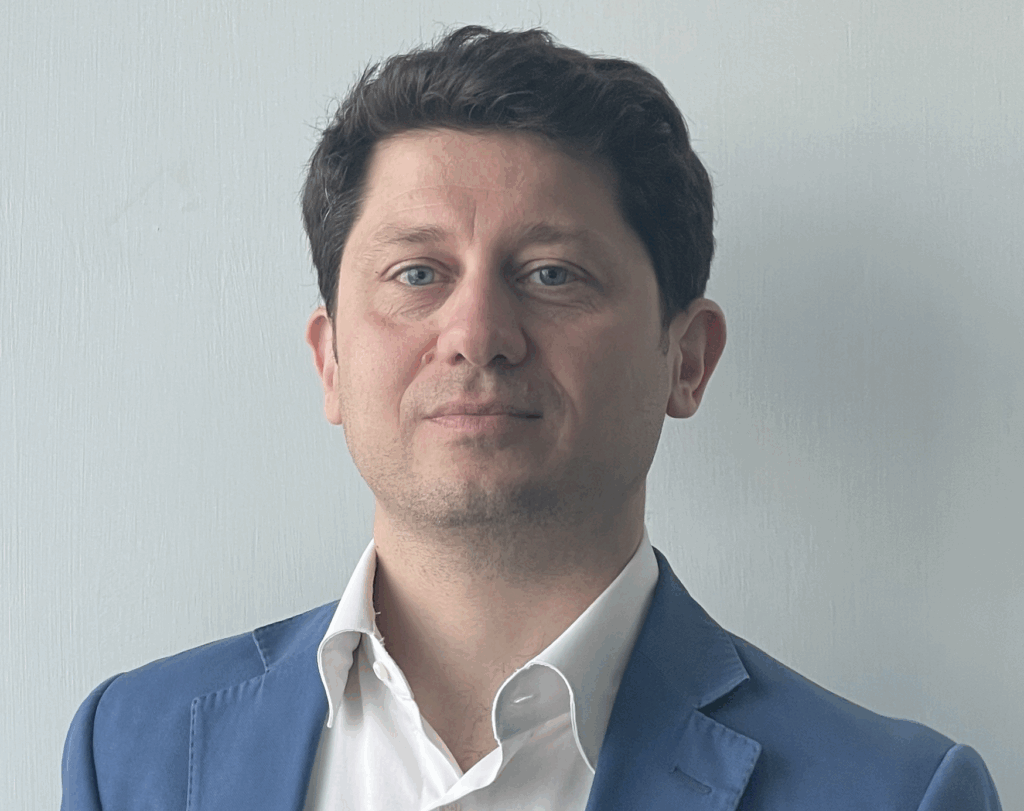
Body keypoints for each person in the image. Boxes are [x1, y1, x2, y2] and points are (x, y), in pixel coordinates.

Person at [61, 24, 1003, 811]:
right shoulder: (135, 751)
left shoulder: (894, 793)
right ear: (331, 360)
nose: (477, 334)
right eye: (417, 273)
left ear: (687, 359)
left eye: (552, 273)